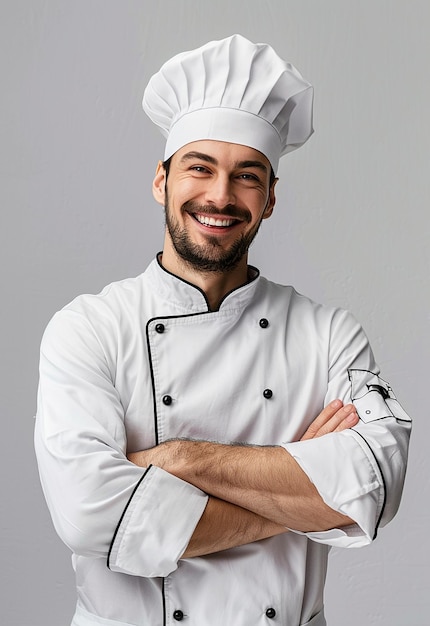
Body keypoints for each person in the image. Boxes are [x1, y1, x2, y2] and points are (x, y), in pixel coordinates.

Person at [35, 35, 411, 626]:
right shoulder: (88, 329)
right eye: (199, 168)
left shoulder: (328, 333)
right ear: (162, 181)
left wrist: (182, 459)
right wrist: (308, 496)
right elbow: (91, 514)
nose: (220, 196)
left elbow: (378, 481)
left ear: (270, 199)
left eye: (247, 177)